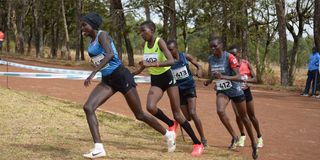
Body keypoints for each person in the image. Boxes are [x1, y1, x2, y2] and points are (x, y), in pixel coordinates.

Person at [80, 12, 176, 159]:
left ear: (92, 25)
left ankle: (168, 134)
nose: (82, 28)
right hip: (107, 80)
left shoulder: (102, 35)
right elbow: (100, 59)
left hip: (121, 76)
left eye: (84, 25)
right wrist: (97, 68)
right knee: (88, 107)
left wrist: (93, 73)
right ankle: (99, 148)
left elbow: (110, 54)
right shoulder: (91, 42)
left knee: (140, 114)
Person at [133, 20, 204, 156]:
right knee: (150, 107)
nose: (142, 33)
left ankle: (197, 143)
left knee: (178, 113)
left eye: (144, 31)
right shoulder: (146, 45)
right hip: (156, 80)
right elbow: (147, 62)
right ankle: (171, 123)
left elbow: (171, 61)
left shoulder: (160, 42)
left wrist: (154, 64)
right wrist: (136, 72)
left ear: (152, 30)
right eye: (140, 31)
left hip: (168, 78)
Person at [203, 37, 258, 159]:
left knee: (244, 118)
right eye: (211, 47)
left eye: (215, 46)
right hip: (223, 90)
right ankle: (234, 136)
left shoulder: (229, 57)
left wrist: (224, 76)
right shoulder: (211, 58)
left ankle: (254, 143)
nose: (213, 49)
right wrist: (209, 81)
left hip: (235, 89)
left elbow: (239, 76)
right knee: (220, 111)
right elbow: (214, 73)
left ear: (221, 45)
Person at [167, 40, 208, 147]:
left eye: (171, 50)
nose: (169, 52)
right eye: (168, 50)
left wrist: (199, 71)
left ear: (176, 48)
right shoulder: (168, 61)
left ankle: (203, 138)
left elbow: (198, 65)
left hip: (189, 87)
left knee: (193, 113)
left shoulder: (185, 56)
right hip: (178, 91)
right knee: (187, 118)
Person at [228, 45, 263, 148]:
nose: (233, 57)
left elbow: (256, 79)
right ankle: (242, 136)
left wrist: (246, 80)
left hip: (245, 92)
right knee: (238, 116)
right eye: (231, 55)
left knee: (251, 116)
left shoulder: (246, 63)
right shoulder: (229, 65)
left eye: (234, 54)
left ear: (239, 52)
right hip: (235, 93)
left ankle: (259, 137)